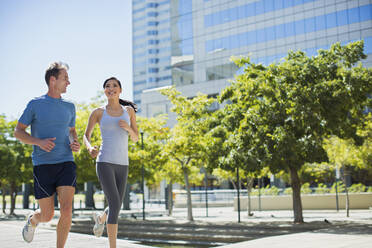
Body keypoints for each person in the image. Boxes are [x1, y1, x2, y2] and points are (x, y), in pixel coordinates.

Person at [14, 62, 80, 248]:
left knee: (67, 210)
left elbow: (72, 131)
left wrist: (74, 142)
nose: (69, 82)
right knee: (47, 215)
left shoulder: (70, 107)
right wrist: (39, 142)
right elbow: (18, 132)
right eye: (65, 78)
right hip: (43, 165)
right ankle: (33, 220)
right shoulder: (35, 104)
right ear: (53, 80)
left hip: (66, 161)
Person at [83, 77, 138, 248]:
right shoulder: (98, 112)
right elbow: (86, 136)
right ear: (104, 91)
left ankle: (100, 218)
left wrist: (128, 128)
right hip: (105, 161)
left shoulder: (128, 111)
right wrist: (90, 148)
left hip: (123, 163)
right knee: (115, 204)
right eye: (107, 86)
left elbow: (136, 138)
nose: (111, 88)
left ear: (120, 90)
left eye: (114, 86)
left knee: (116, 204)